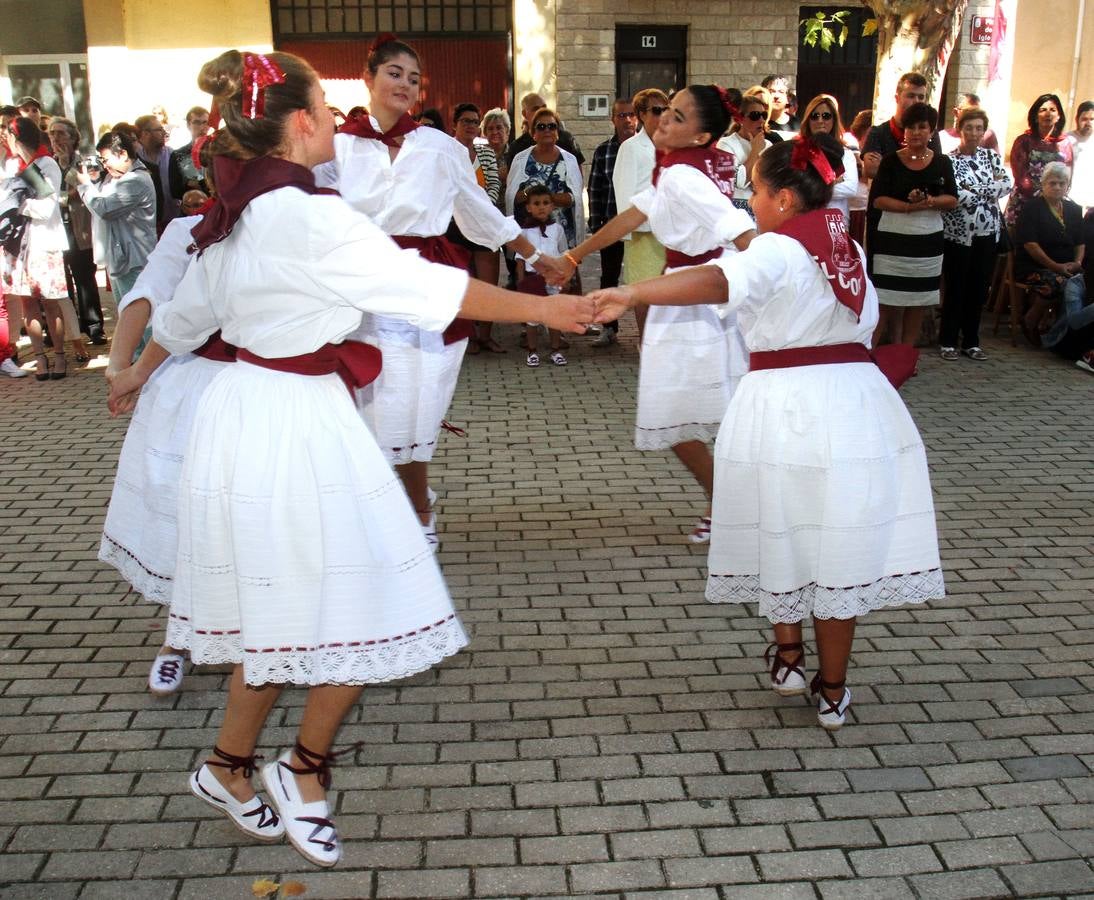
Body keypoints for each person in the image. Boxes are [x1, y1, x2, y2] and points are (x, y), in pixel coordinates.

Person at [107, 48, 593, 870]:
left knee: (285, 606)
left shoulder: (244, 213)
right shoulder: (305, 215)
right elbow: (421, 286)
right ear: (300, 125)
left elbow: (185, 318)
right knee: (374, 592)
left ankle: (229, 767)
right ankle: (301, 769)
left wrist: (131, 375)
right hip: (291, 423)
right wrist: (559, 311)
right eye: (328, 114)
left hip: (250, 418)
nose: (339, 123)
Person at [589, 133, 945, 730]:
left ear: (782, 198)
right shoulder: (844, 248)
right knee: (837, 543)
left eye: (754, 190)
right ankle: (832, 690)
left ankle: (788, 659)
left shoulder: (780, 249)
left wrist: (630, 292)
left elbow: (716, 280)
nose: (748, 201)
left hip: (789, 408)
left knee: (782, 525)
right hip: (856, 408)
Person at [314, 36, 567, 550]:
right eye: (393, 72)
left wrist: (537, 256)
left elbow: (481, 213)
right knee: (357, 407)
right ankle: (369, 514)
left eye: (413, 76)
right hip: (355, 288)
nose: (404, 84)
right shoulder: (335, 147)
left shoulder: (441, 148)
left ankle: (418, 506)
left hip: (418, 287)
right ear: (368, 78)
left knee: (408, 406)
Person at [557, 84, 756, 543]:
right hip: (684, 294)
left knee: (682, 412)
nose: (665, 119)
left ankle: (731, 503)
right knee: (695, 412)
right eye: (668, 109)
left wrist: (778, 273)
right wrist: (573, 257)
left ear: (702, 137)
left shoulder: (685, 176)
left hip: (699, 298)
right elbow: (632, 215)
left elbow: (739, 229)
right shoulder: (676, 168)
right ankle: (733, 501)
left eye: (680, 117)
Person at [99, 174, 228, 698]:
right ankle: (177, 640)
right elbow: (147, 294)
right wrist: (118, 366)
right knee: (184, 513)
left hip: (269, 390)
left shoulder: (290, 219)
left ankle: (270, 635)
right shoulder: (189, 230)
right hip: (192, 387)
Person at [867, 102, 958, 346]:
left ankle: (905, 357)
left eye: (922, 127)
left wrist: (930, 201)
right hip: (893, 242)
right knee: (884, 301)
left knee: (917, 303)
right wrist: (909, 207)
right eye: (911, 127)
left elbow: (952, 199)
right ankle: (868, 355)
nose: (916, 132)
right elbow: (878, 200)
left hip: (926, 243)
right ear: (904, 131)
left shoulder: (942, 163)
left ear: (931, 131)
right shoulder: (889, 162)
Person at [2, 116, 73, 380]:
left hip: (44, 242)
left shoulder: (47, 164)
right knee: (28, 303)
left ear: (18, 136)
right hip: (17, 245)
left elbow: (46, 208)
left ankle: (59, 356)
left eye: (8, 134)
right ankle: (39, 357)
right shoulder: (11, 165)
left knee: (51, 303)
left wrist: (16, 205)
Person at [940, 106, 1013, 360]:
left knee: (979, 288)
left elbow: (1006, 184)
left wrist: (978, 188)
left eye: (979, 128)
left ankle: (971, 340)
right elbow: (957, 194)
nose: (974, 133)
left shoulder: (990, 157)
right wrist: (986, 189)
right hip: (959, 233)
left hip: (987, 233)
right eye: (969, 127)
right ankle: (948, 340)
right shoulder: (948, 160)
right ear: (960, 130)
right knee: (956, 286)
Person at [76, 127, 157, 308]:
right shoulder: (117, 178)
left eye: (106, 160)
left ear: (122, 154)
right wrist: (95, 181)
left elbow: (104, 209)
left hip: (134, 260)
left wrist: (84, 186)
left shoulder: (136, 180)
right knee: (126, 315)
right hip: (122, 259)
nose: (104, 166)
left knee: (139, 321)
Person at [448, 102, 505, 353]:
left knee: (488, 281)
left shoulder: (486, 153)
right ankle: (467, 336)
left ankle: (486, 335)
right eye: (465, 121)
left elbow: (494, 185)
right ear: (455, 124)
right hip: (452, 225)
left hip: (483, 223)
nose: (470, 126)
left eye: (474, 121)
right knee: (461, 281)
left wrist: (481, 210)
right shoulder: (446, 151)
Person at [613, 88, 669, 340]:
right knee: (644, 292)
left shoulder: (672, 144)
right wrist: (630, 229)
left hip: (670, 232)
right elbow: (623, 190)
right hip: (642, 233)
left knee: (668, 291)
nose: (662, 115)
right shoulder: (631, 148)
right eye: (656, 110)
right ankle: (646, 344)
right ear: (641, 115)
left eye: (665, 109)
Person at [48, 116, 106, 349]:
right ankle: (66, 330)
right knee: (61, 282)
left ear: (73, 138)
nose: (56, 138)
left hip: (79, 228)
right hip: (55, 229)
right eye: (52, 134)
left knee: (84, 278)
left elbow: (82, 190)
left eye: (61, 133)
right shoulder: (47, 164)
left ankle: (93, 327)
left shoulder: (85, 163)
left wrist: (66, 169)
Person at [1014, 161, 1084, 345]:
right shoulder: (1032, 208)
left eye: (1062, 183)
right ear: (1043, 184)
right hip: (1033, 265)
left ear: (1068, 186)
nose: (1057, 187)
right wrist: (1056, 267)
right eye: (1052, 183)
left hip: (1067, 266)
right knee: (1056, 282)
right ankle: (1031, 320)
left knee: (1083, 282)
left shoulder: (1074, 210)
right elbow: (1030, 245)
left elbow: (1080, 241)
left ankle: (1064, 330)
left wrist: (1077, 262)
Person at [587, 98, 637, 347]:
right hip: (612, 223)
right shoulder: (604, 151)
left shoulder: (649, 148)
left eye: (631, 115)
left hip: (642, 229)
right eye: (621, 115)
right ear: (613, 119)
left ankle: (648, 331)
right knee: (609, 276)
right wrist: (597, 225)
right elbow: (595, 188)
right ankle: (608, 328)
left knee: (644, 278)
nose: (627, 120)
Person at [505, 107, 585, 251]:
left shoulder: (570, 160)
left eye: (552, 126)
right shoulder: (520, 159)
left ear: (557, 132)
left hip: (563, 236)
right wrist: (529, 196)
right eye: (541, 127)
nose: (547, 130)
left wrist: (546, 199)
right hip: (528, 235)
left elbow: (576, 198)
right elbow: (512, 197)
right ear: (533, 133)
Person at [515, 184, 569, 366]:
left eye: (546, 203)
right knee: (532, 319)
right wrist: (521, 281)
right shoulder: (523, 232)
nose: (541, 207)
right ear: (528, 207)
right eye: (536, 203)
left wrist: (567, 276)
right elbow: (520, 259)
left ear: (553, 206)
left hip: (553, 279)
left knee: (553, 316)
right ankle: (532, 351)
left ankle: (555, 349)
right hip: (532, 280)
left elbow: (564, 254)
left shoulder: (557, 229)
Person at [1005, 93, 1072, 228]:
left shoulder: (1065, 144)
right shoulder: (1023, 141)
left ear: (1059, 116)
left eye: (1053, 110)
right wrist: (1042, 197)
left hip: (1054, 203)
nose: (1048, 113)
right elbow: (1020, 176)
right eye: (1043, 110)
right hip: (1024, 201)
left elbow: (1068, 176)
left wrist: (1053, 197)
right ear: (1035, 116)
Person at [861, 72, 942, 179]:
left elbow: (936, 170)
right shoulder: (878, 132)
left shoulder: (931, 133)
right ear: (897, 98)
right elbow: (871, 170)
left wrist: (886, 165)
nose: (916, 101)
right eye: (911, 96)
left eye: (921, 97)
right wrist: (917, 168)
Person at [799, 94, 858, 224]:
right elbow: (796, 186)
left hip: (836, 222)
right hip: (805, 219)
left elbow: (851, 188)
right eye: (815, 116)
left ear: (834, 120)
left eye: (826, 116)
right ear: (808, 120)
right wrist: (834, 181)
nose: (820, 120)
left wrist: (812, 186)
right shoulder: (797, 151)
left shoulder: (846, 154)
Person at [716, 91, 772, 216]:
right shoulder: (725, 145)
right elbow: (738, 181)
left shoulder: (768, 145)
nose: (761, 120)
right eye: (755, 115)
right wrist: (755, 151)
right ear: (740, 119)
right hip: (736, 211)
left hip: (762, 209)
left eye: (764, 115)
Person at [505, 92, 584, 167]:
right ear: (524, 114)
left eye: (544, 107)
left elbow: (577, 173)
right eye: (536, 109)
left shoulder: (566, 139)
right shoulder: (517, 147)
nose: (541, 111)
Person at [134, 113, 177, 228]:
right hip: (146, 224)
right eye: (159, 129)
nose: (164, 133)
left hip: (173, 220)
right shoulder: (135, 159)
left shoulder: (173, 155)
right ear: (145, 133)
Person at [168, 106, 212, 200]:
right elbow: (174, 191)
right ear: (188, 125)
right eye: (196, 122)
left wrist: (197, 183)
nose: (202, 127)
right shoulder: (178, 155)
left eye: (205, 122)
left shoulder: (218, 152)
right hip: (191, 207)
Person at [1067, 100, 1094, 212]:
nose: (1088, 123)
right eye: (1084, 119)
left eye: (1092, 119)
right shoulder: (1066, 140)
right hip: (1070, 200)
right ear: (1076, 119)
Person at [762, 75, 799, 139]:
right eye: (771, 91)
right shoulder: (757, 121)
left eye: (781, 92)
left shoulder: (799, 125)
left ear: (787, 98)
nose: (776, 96)